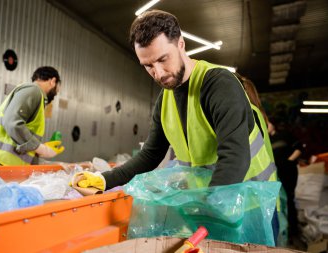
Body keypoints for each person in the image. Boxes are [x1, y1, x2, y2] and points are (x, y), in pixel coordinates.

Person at [73, 9, 278, 239]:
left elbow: (235, 156)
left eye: (162, 59)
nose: (158, 74)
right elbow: (150, 155)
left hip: (249, 207)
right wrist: (103, 179)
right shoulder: (165, 100)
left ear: (181, 44)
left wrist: (210, 209)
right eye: (148, 66)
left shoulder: (219, 85)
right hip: (210, 206)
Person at [0, 66, 64, 166]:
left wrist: (40, 154)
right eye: (57, 90)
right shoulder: (34, 90)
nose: (55, 94)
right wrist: (40, 148)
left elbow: (20, 143)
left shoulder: (35, 95)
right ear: (53, 81)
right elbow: (12, 122)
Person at [268, 118, 305, 240]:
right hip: (276, 173)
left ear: (273, 123)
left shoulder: (284, 135)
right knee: (281, 201)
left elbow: (299, 147)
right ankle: (285, 232)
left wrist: (289, 161)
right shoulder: (266, 140)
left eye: (267, 122)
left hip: (289, 171)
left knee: (289, 198)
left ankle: (293, 231)